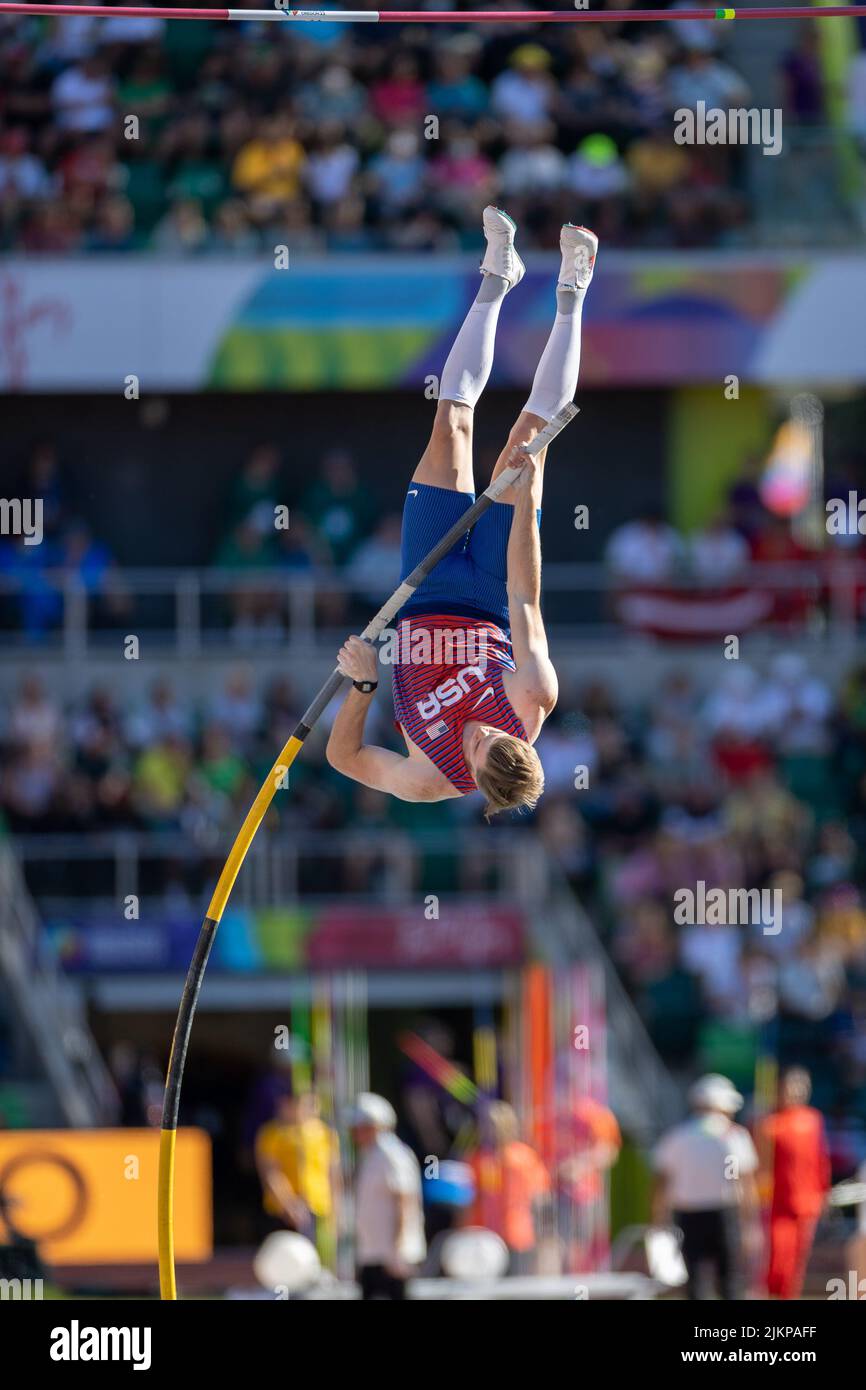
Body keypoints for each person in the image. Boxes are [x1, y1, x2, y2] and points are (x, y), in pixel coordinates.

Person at [327, 206, 596, 818]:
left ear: (473, 778)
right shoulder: (532, 696)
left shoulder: (432, 776)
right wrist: (525, 497)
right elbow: (526, 597)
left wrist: (364, 689)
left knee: (450, 426)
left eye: (476, 746)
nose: (477, 732)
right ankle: (572, 290)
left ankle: (497, 278)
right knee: (526, 440)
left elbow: (347, 759)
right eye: (494, 736)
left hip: (422, 596)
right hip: (488, 594)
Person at [652, 1073, 760, 1300]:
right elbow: (747, 1183)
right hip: (725, 1214)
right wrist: (750, 1223)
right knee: (731, 1278)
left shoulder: (677, 1136)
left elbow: (661, 1182)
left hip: (688, 1216)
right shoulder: (735, 1136)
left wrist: (658, 1218)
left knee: (695, 1280)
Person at [756, 1067, 830, 1299]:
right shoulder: (769, 1124)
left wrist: (823, 1193)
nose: (796, 1091)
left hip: (806, 1202)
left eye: (802, 1086)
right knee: (777, 1257)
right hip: (777, 1203)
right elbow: (761, 1167)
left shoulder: (813, 1120)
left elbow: (820, 1159)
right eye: (791, 1086)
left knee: (798, 1258)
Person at [349, 1091, 426, 1301]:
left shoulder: (391, 1155)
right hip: (374, 1252)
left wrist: (398, 1249)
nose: (355, 1134)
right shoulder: (371, 1155)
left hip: (391, 1254)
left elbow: (404, 1200)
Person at [255, 1092, 340, 1259]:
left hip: (318, 1205)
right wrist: (288, 1204)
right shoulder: (273, 1133)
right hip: (283, 1210)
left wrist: (336, 1211)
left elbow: (333, 1173)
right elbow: (271, 1172)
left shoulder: (325, 1133)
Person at [468, 1101, 550, 1273]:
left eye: (492, 1124)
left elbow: (541, 1198)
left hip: (516, 1236)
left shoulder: (524, 1158)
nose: (487, 1129)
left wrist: (544, 1237)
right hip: (482, 1239)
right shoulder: (476, 1159)